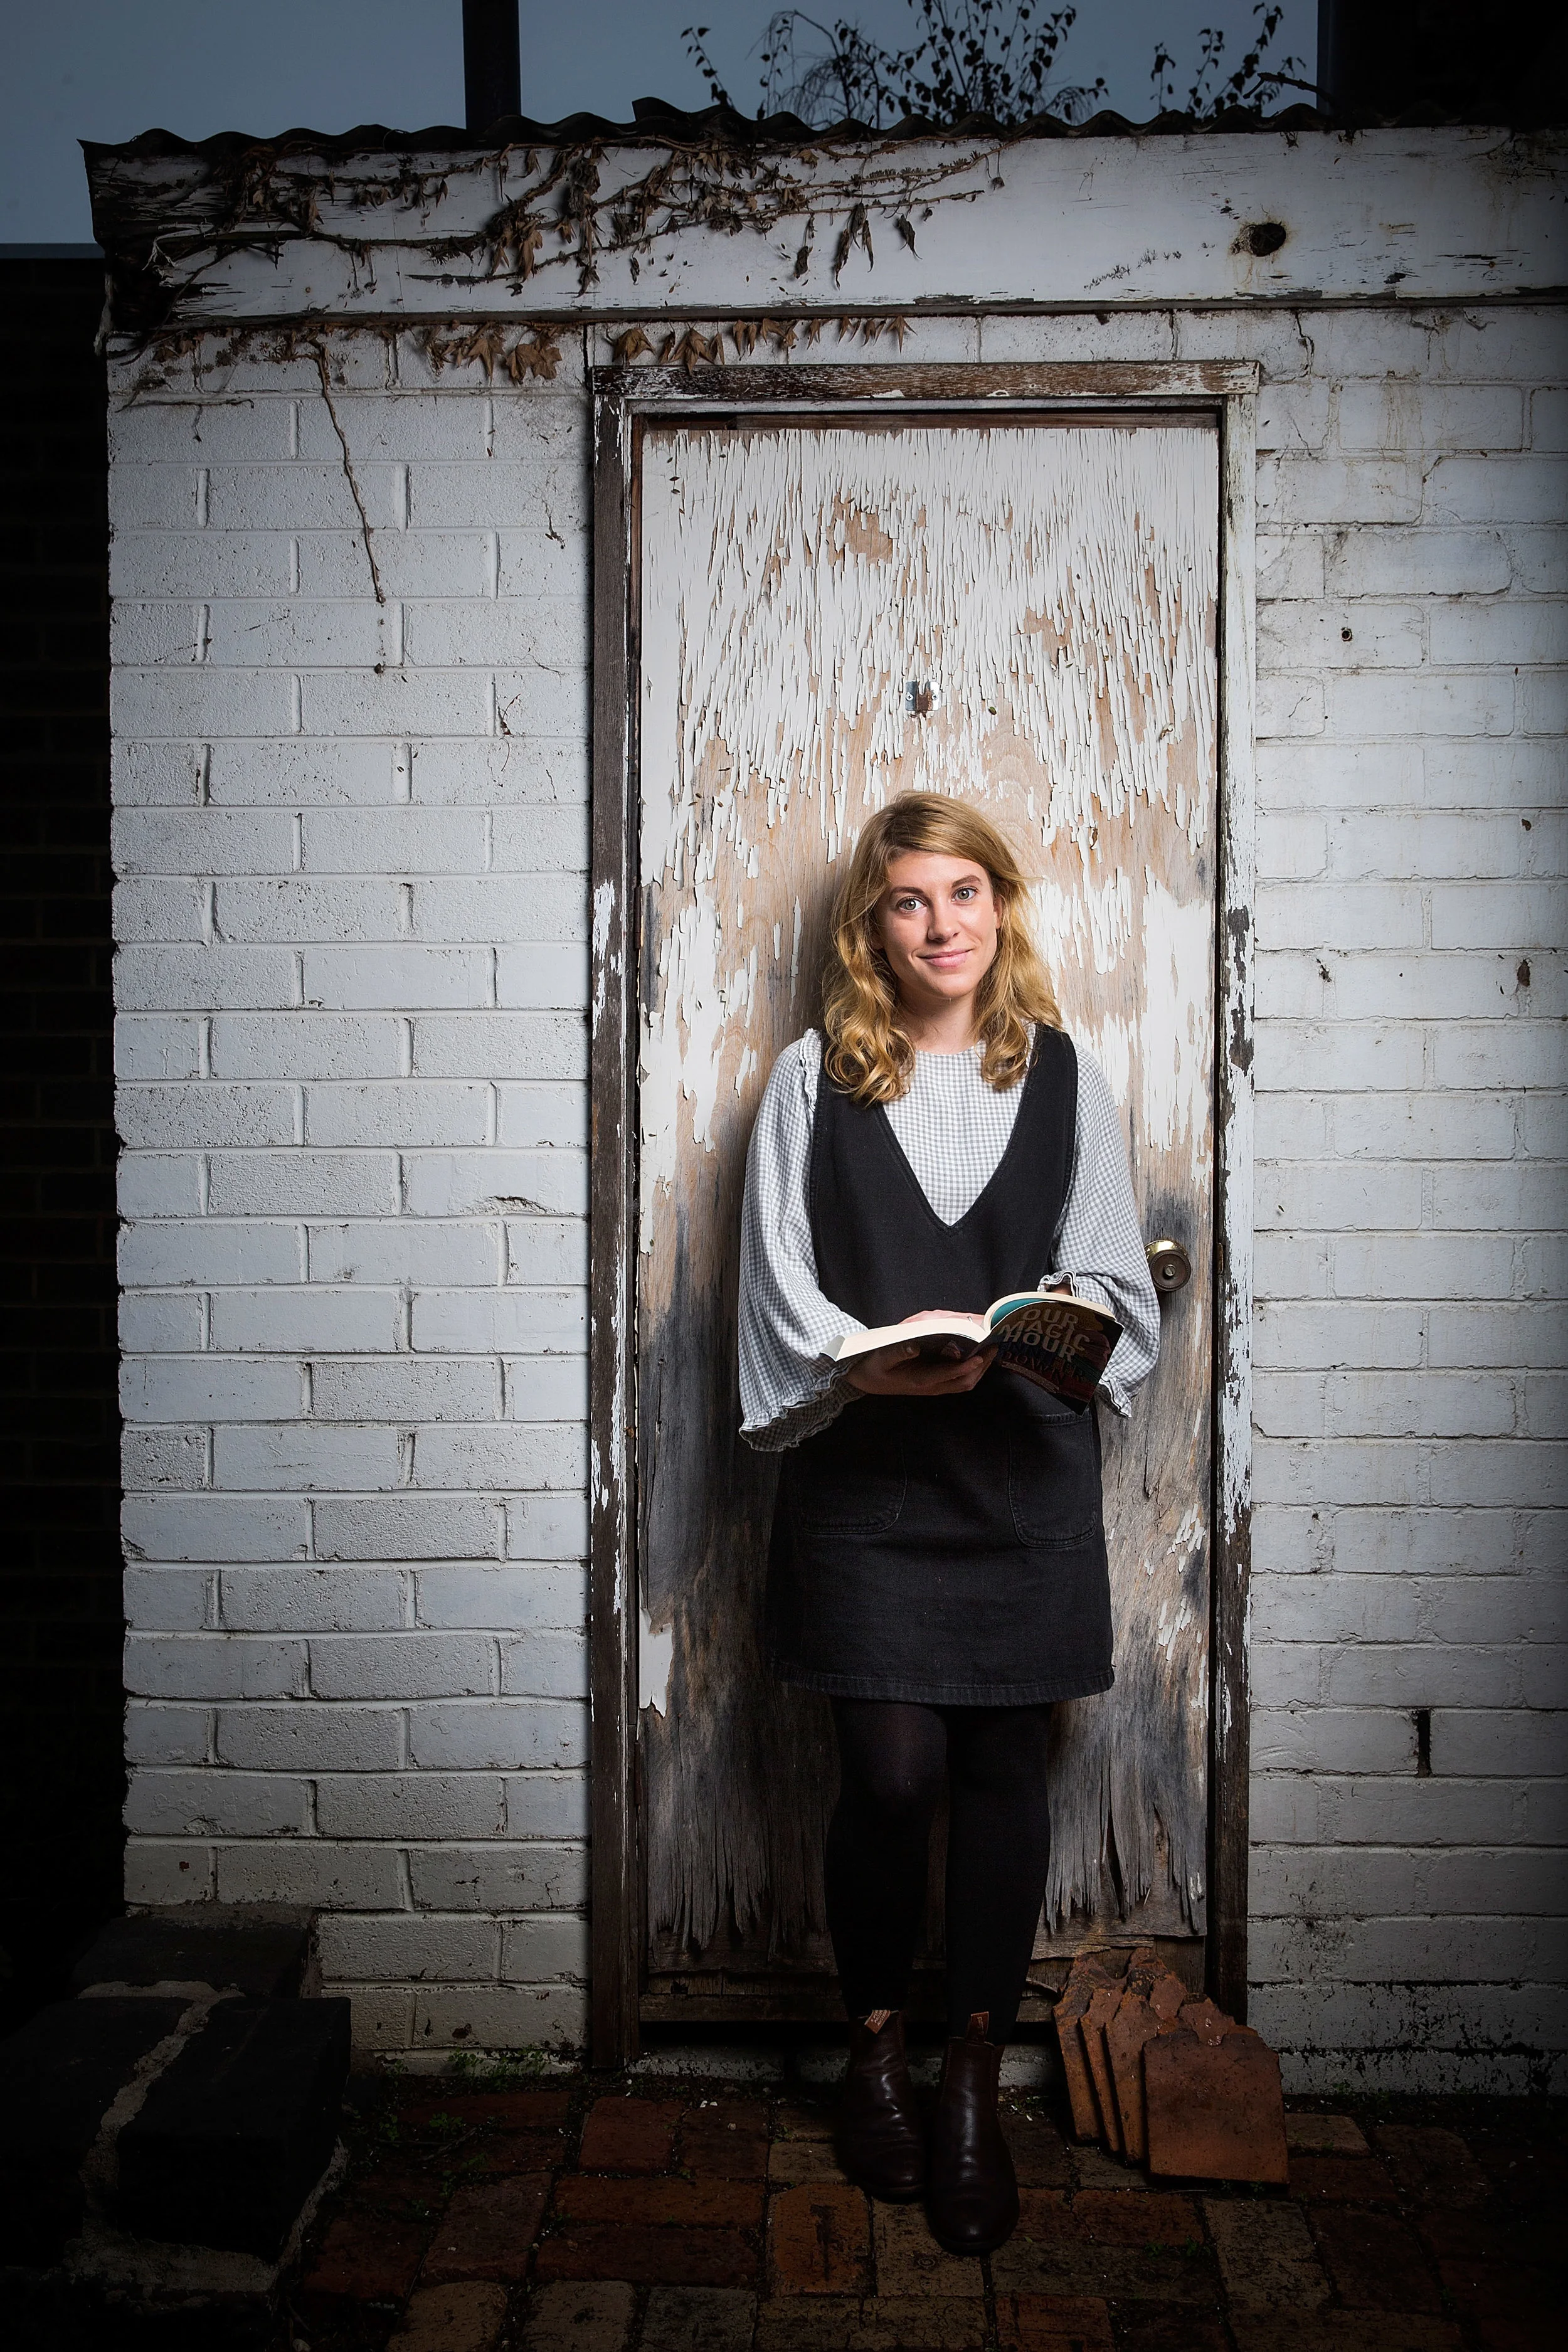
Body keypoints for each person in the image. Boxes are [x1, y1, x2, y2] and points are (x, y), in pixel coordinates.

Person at [738, 792, 1160, 2255]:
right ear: (873, 924)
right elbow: (778, 1290)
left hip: (1019, 1482)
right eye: (910, 901)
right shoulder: (812, 1077)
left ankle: (968, 2072)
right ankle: (873, 2049)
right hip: (865, 1483)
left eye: (964, 894)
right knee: (893, 1773)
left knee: (997, 1769)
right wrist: (866, 1356)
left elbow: (1112, 1280)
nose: (941, 925)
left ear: (1000, 908)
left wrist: (1051, 1330)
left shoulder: (1059, 1075)